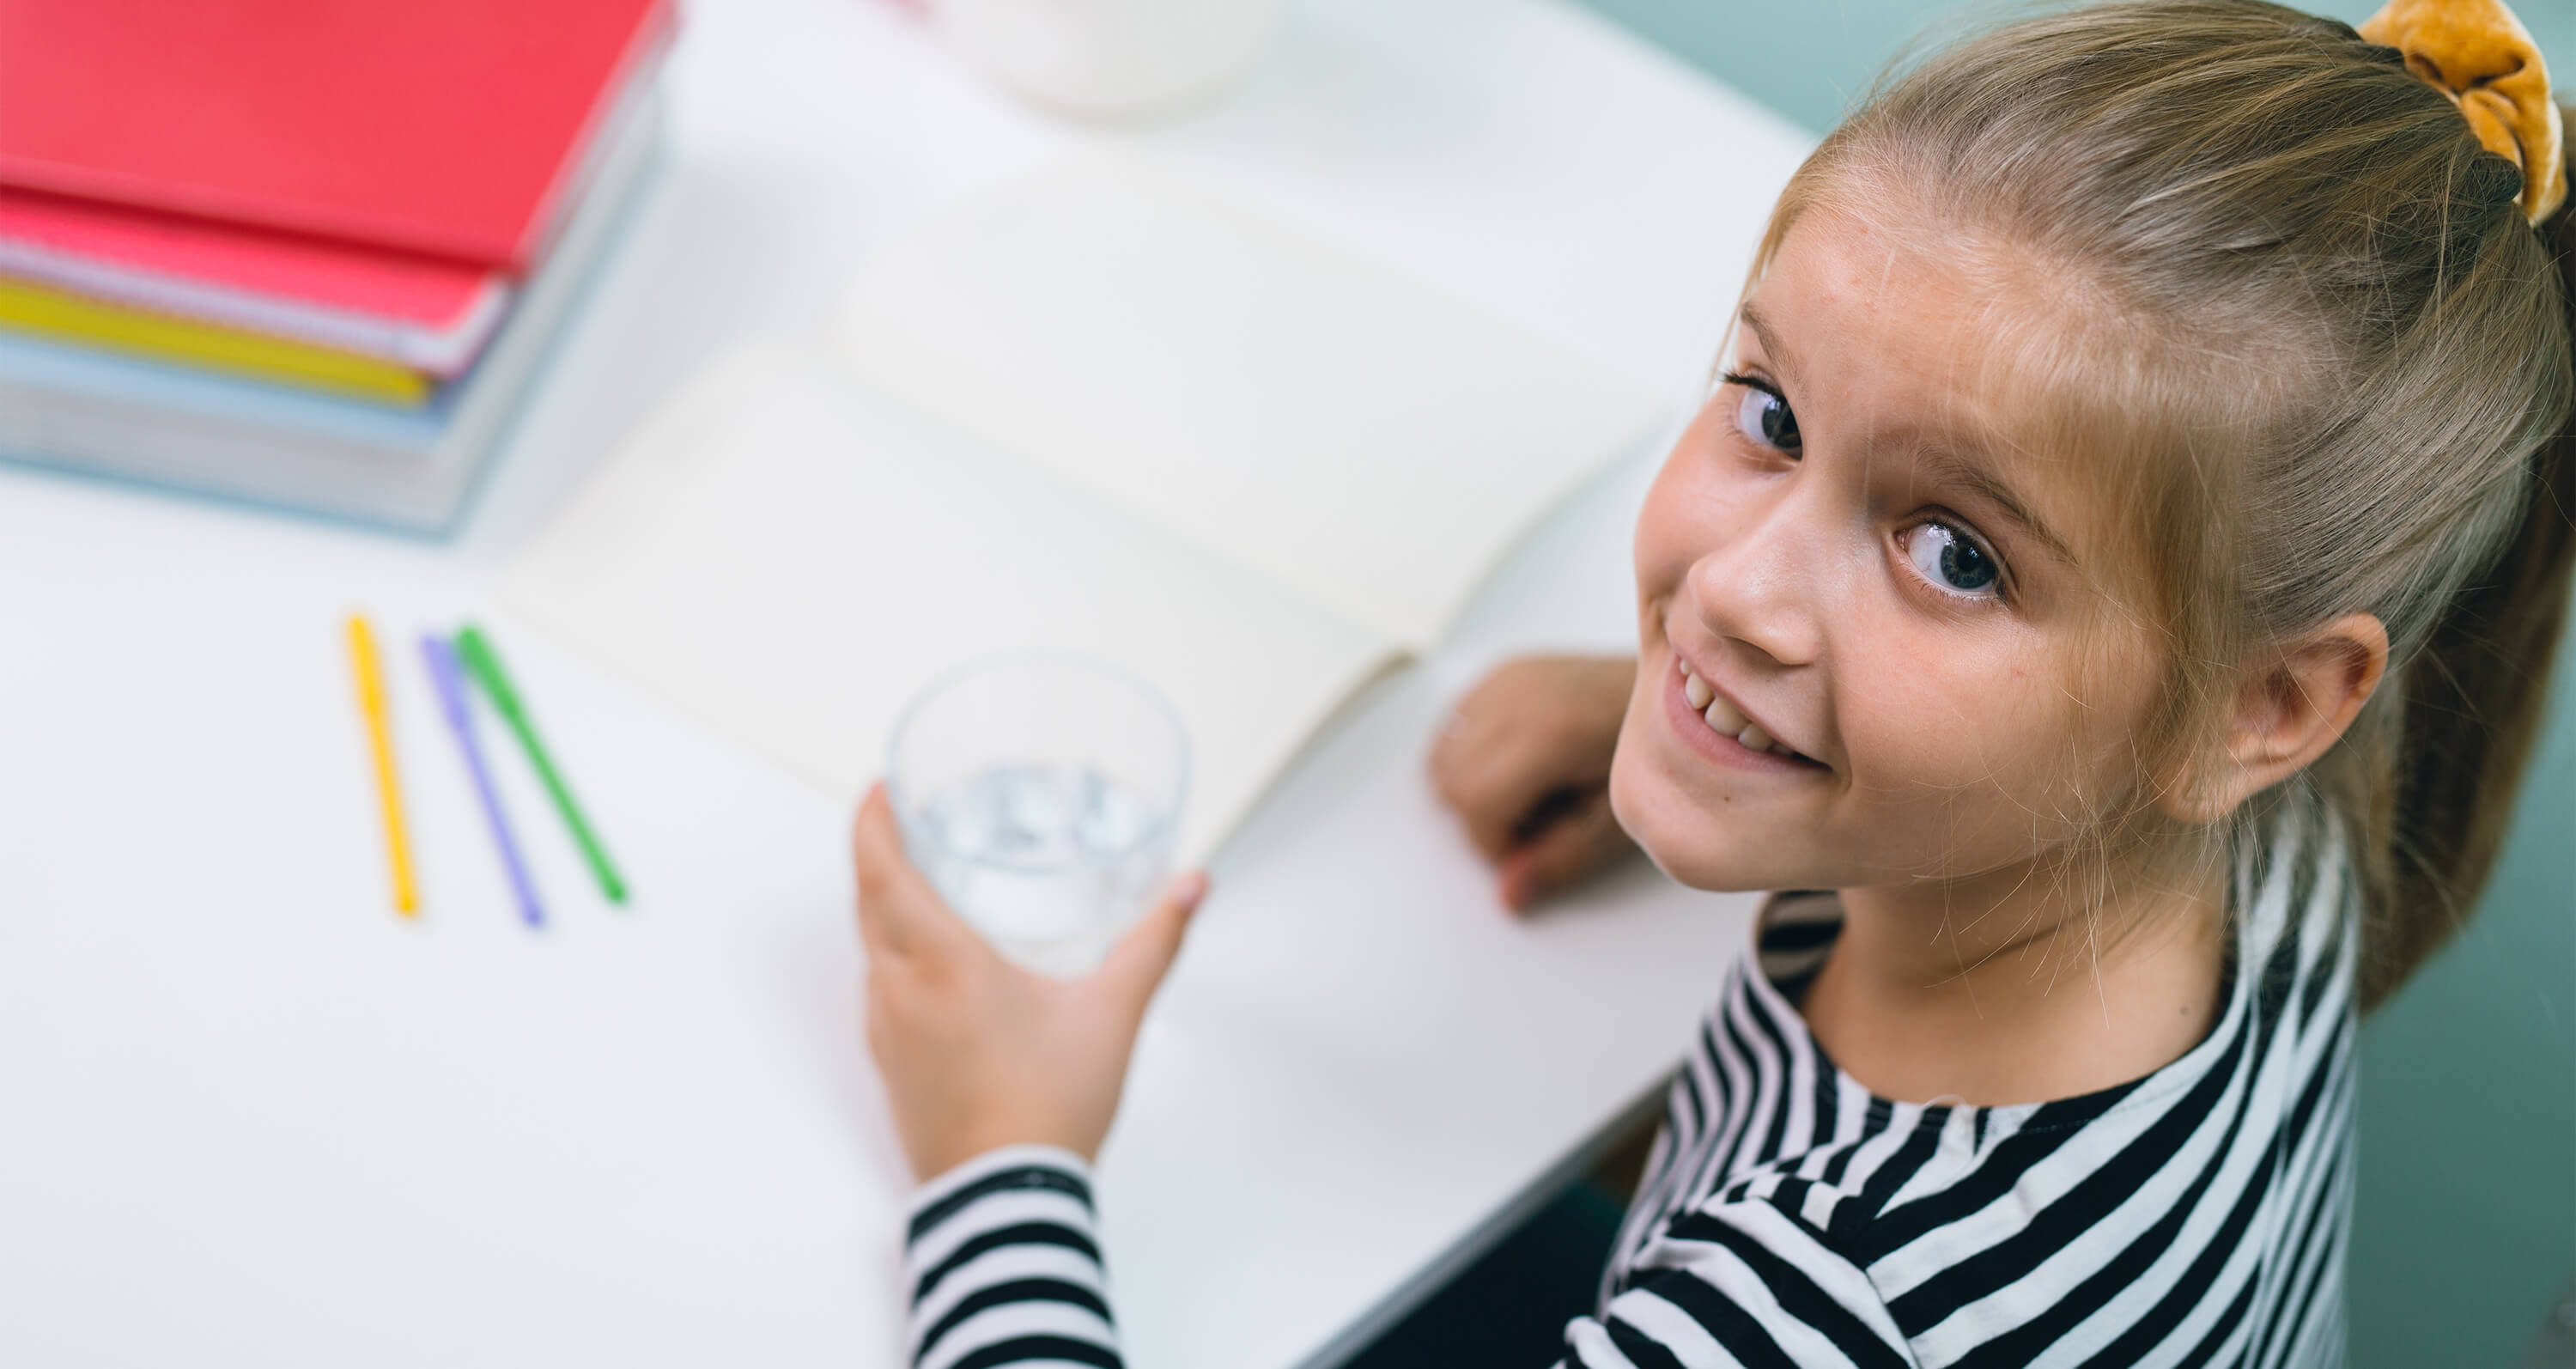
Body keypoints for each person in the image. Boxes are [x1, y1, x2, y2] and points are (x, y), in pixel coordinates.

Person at [848, 0, 2576, 1362]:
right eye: (1770, 414)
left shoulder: (1830, 1301)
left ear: (2265, 708)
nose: (1733, 593)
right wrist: (1669, 702)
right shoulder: (2265, 820)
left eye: (1955, 551)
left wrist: (1004, 1151)